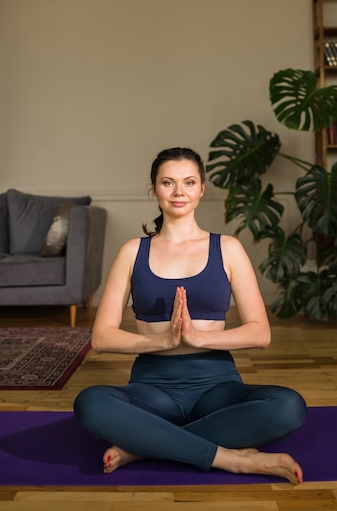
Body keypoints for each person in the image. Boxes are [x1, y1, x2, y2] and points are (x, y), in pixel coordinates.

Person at [74, 147, 306, 484]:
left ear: (201, 188)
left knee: (289, 406)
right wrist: (163, 341)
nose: (179, 191)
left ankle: (143, 445)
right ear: (154, 189)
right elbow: (102, 337)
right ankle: (231, 459)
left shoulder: (227, 248)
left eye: (188, 182)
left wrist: (199, 338)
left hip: (217, 387)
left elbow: (260, 333)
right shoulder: (132, 252)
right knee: (90, 404)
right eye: (168, 182)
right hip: (152, 389)